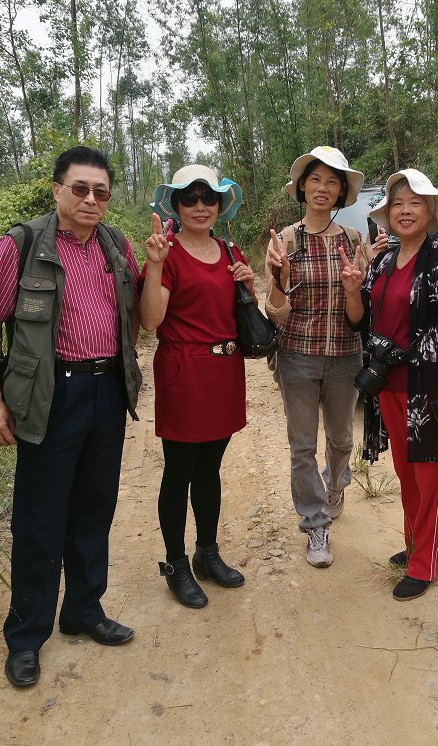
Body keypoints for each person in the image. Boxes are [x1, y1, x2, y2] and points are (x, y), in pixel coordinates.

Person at [0, 146, 142, 688]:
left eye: (101, 191)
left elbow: (137, 317)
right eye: (80, 188)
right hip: (52, 394)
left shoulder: (117, 246)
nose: (91, 199)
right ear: (57, 190)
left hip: (106, 391)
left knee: (95, 506)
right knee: (40, 518)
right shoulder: (21, 244)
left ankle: (83, 610)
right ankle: (26, 637)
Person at [342, 169, 438, 601]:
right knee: (407, 471)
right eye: (397, 203)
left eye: (414, 202)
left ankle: (424, 563)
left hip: (431, 387)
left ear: (430, 211)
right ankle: (425, 542)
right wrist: (352, 290)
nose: (404, 210)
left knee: (430, 473)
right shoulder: (383, 261)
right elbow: (361, 320)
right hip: (390, 384)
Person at [140, 164, 252, 609]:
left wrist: (249, 284)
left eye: (209, 198)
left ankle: (207, 552)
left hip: (224, 372)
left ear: (221, 205)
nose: (200, 206)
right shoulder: (167, 254)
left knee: (210, 469)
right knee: (179, 471)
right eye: (190, 198)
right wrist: (154, 266)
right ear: (175, 205)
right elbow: (151, 320)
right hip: (184, 373)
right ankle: (176, 564)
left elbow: (240, 312)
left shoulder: (229, 250)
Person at [266, 146, 366, 568]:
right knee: (302, 445)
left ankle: (336, 482)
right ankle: (314, 522)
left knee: (341, 439)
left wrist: (354, 289)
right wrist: (279, 280)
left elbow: (359, 315)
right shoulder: (285, 240)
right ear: (302, 188)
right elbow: (274, 312)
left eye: (332, 181)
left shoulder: (354, 240)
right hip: (297, 356)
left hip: (346, 355)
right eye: (315, 180)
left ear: (341, 191)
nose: (322, 188)